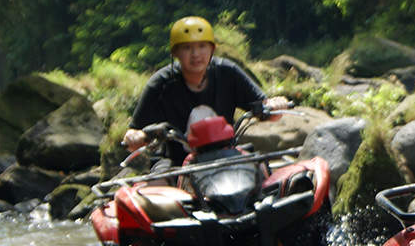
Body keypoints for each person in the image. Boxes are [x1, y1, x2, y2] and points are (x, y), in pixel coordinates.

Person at [121, 16, 290, 165]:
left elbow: (266, 108)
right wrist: (135, 137)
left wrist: (275, 105)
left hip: (226, 155)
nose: (196, 54)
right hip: (175, 163)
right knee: (156, 196)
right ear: (176, 53)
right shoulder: (161, 84)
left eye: (202, 46)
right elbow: (134, 132)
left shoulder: (228, 72)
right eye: (187, 48)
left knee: (261, 172)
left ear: (212, 49)